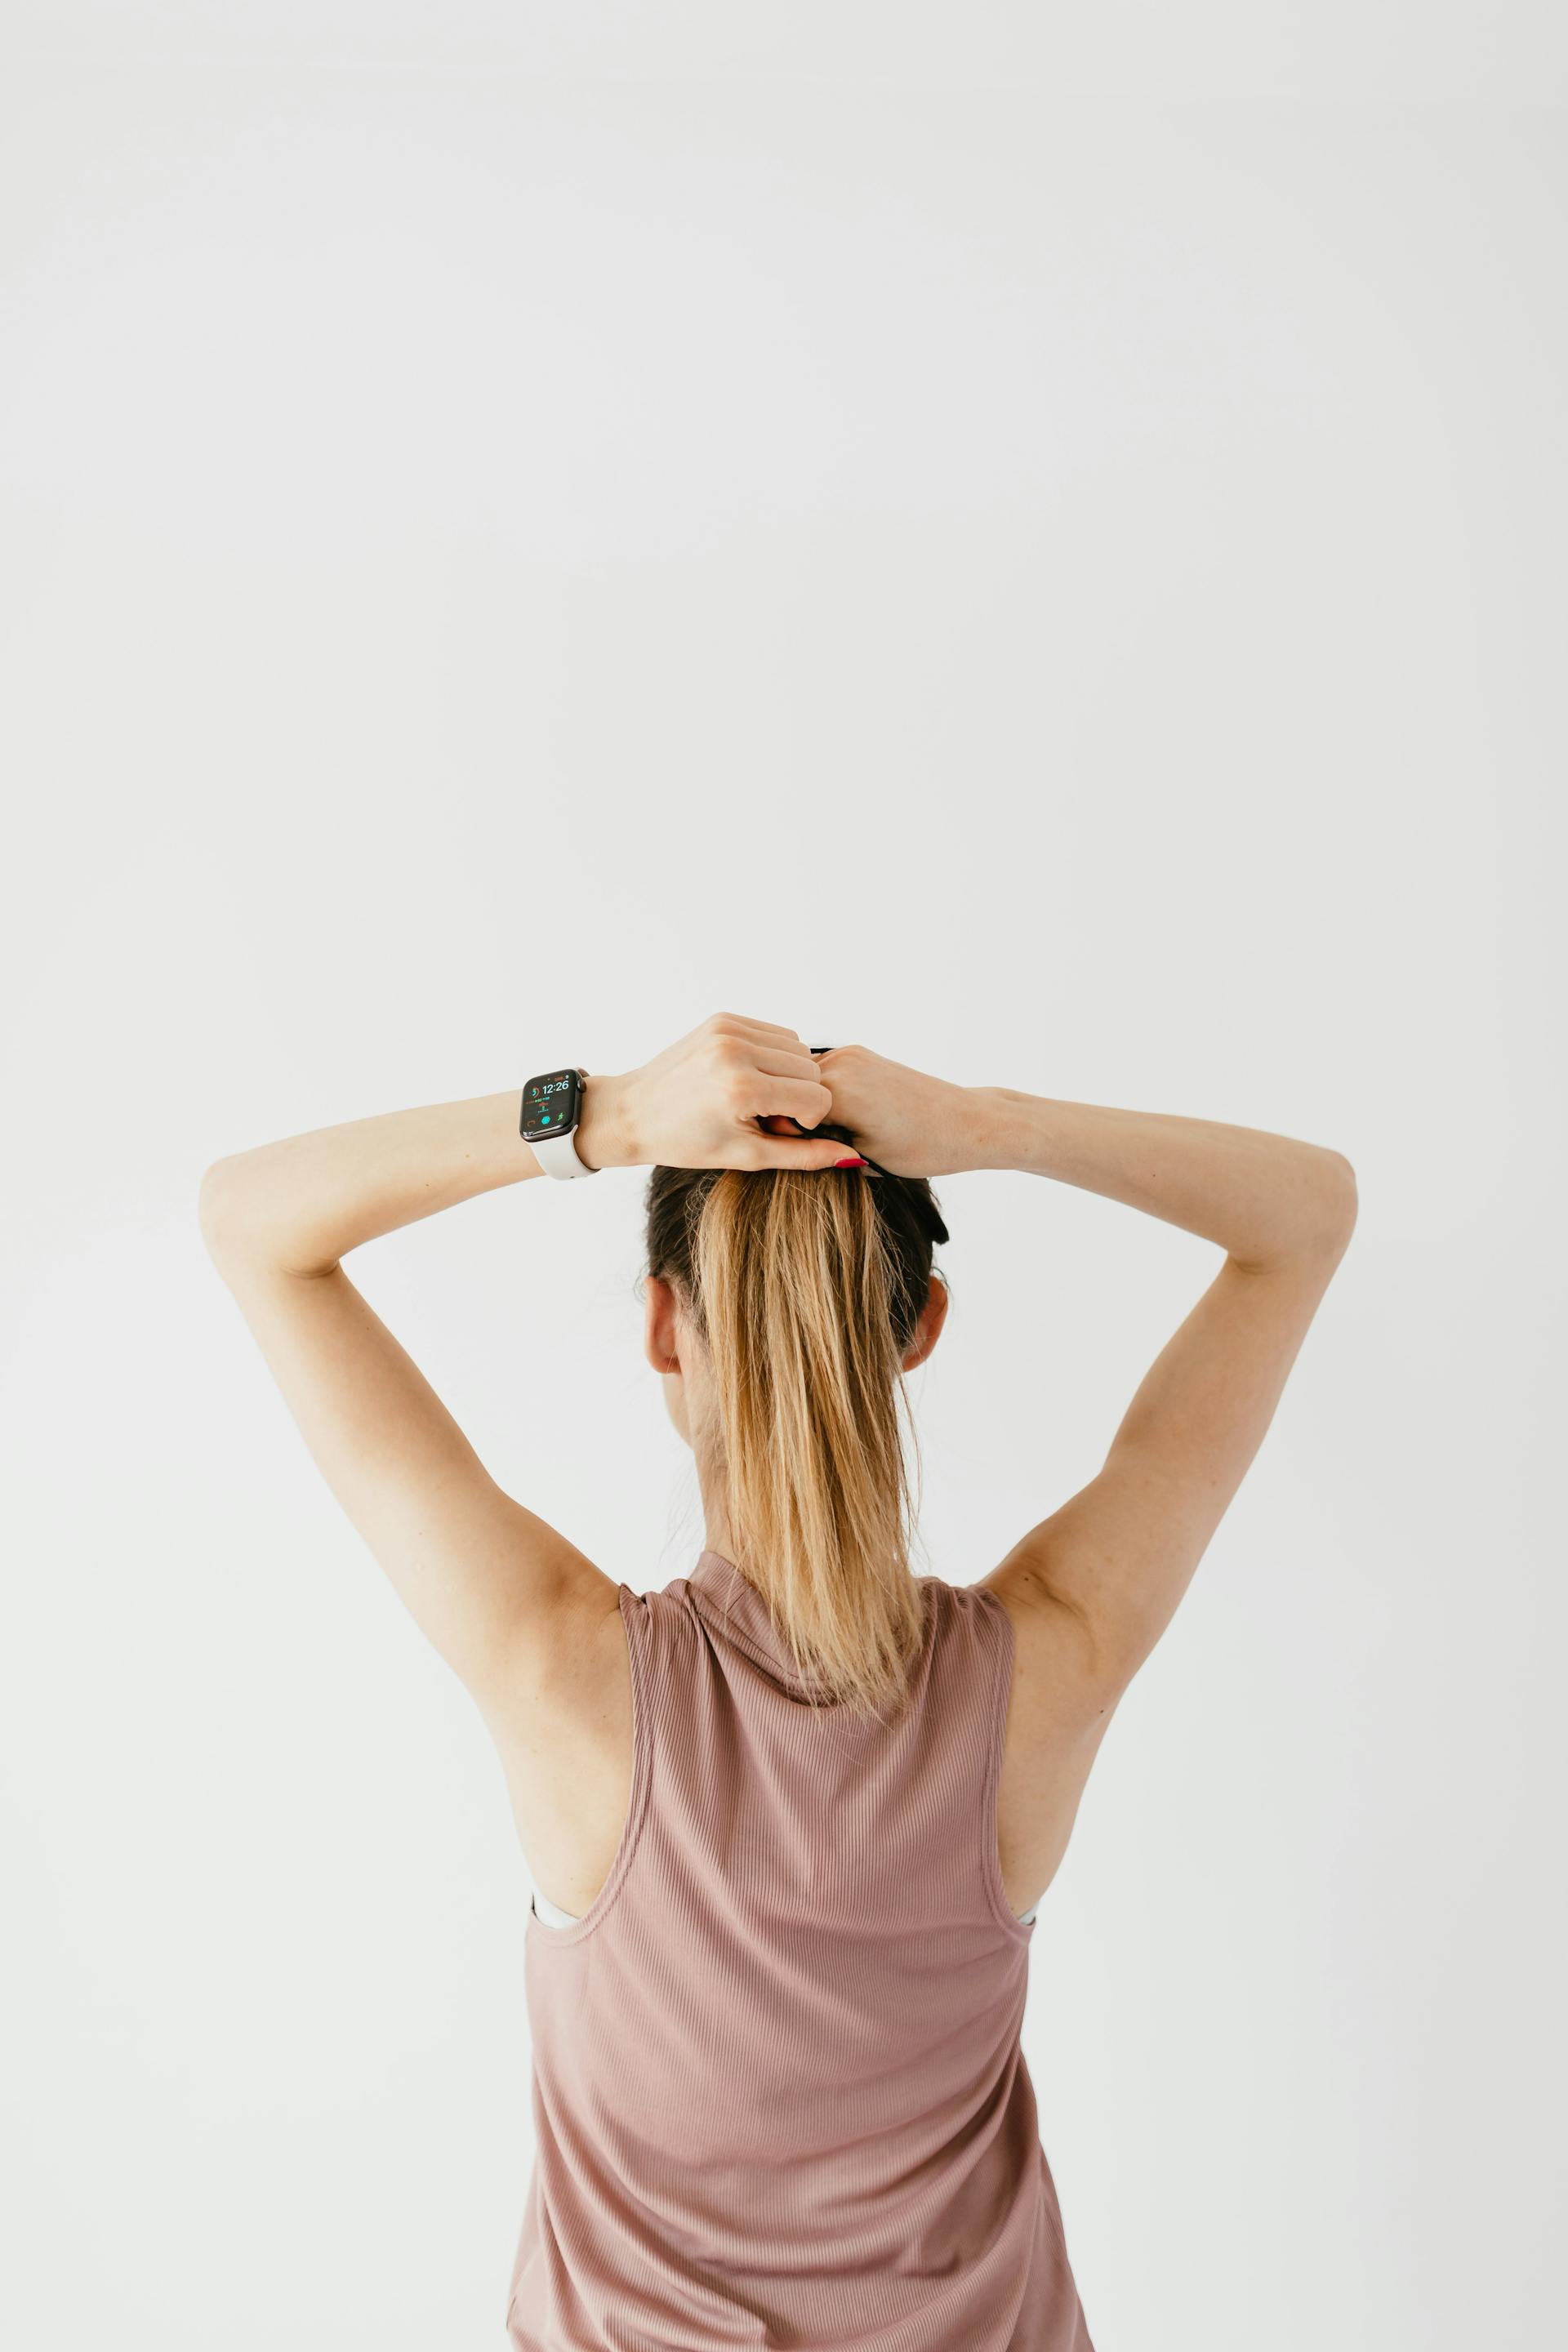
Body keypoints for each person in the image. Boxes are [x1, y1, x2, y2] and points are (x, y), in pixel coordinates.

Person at [198, 1010, 1356, 2350]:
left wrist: (612, 1116)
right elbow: (1306, 1216)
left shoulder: (559, 1666)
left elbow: (252, 1224)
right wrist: (995, 1128)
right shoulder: (1052, 1655)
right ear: (919, 1324)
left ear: (661, 1328)